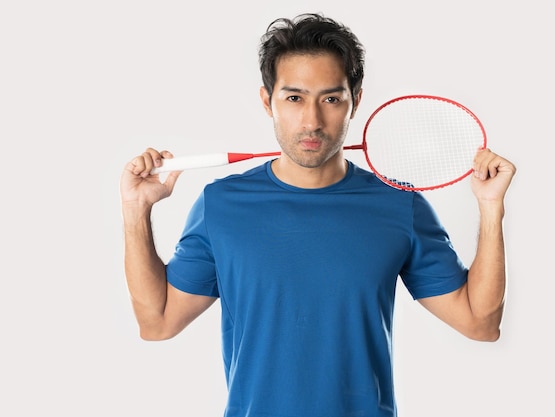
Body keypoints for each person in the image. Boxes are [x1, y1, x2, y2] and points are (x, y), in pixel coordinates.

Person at [120, 13, 516, 417]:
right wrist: (136, 210)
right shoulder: (222, 204)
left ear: (354, 101)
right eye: (294, 98)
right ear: (266, 101)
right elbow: (158, 322)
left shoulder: (399, 204)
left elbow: (479, 324)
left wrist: (490, 207)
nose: (311, 121)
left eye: (330, 99)